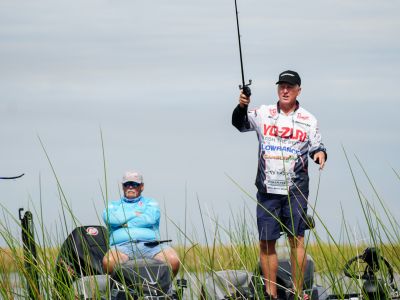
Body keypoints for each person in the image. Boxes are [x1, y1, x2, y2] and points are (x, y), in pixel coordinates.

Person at [232, 70, 327, 299]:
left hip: (295, 188)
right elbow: (239, 123)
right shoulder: (264, 113)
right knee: (266, 242)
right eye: (281, 86)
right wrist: (242, 105)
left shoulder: (308, 119)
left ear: (298, 91)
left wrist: (321, 154)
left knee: (297, 240)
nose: (285, 90)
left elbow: (317, 145)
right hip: (267, 189)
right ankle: (270, 293)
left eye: (290, 87)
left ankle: (297, 291)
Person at [102, 170, 180, 276]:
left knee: (173, 260)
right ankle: (117, 290)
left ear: (141, 186)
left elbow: (150, 219)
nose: (130, 187)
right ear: (123, 186)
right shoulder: (112, 205)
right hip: (121, 247)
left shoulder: (151, 203)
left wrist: (125, 224)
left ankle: (165, 289)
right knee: (109, 262)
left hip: (151, 247)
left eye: (134, 184)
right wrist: (137, 213)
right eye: (127, 184)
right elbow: (111, 219)